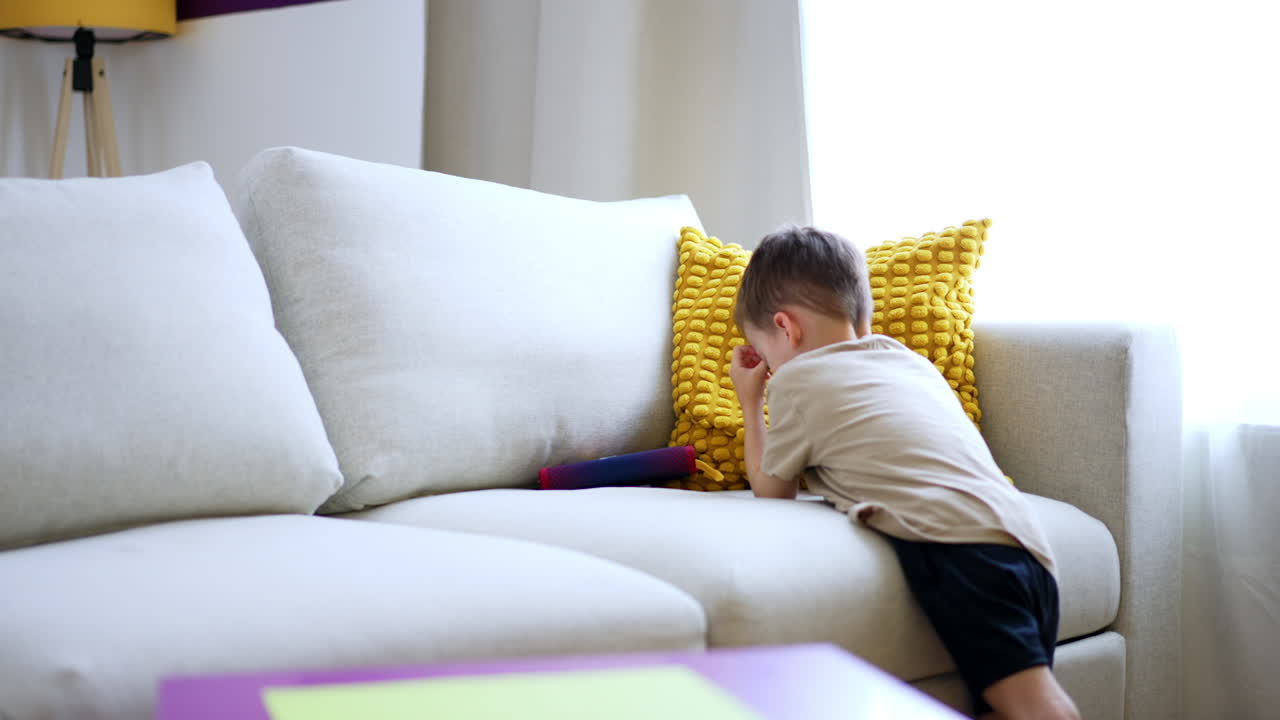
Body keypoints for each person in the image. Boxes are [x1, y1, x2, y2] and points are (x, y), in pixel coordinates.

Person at [728, 226, 1080, 720]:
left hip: (961, 553)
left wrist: (752, 400)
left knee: (1038, 709)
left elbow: (771, 489)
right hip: (1026, 546)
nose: (770, 368)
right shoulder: (910, 364)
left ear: (787, 329)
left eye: (765, 355)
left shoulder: (798, 381)